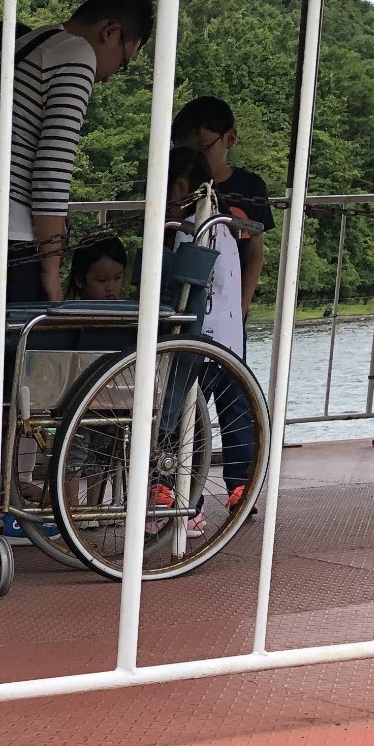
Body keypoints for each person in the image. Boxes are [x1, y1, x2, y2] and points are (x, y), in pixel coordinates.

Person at [0, 0, 154, 397]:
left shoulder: (30, 43)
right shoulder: (76, 55)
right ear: (111, 32)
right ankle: (0, 463)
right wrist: (51, 273)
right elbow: (52, 172)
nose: (108, 76)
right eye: (123, 62)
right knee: (16, 394)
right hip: (2, 241)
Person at [153, 146, 253, 535]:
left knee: (180, 421)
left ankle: (180, 501)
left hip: (195, 339)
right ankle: (241, 487)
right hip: (229, 340)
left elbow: (180, 288)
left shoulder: (186, 232)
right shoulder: (224, 223)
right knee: (235, 418)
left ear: (179, 188)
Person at [171, 96, 274, 320]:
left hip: (230, 302)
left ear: (230, 139)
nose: (194, 160)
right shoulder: (179, 189)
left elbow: (255, 254)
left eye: (202, 150)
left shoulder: (251, 186)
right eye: (184, 153)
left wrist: (241, 307)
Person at [66, 232, 128, 300]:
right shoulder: (73, 310)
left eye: (117, 278)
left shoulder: (129, 309)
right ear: (80, 281)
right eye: (102, 280)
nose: (110, 287)